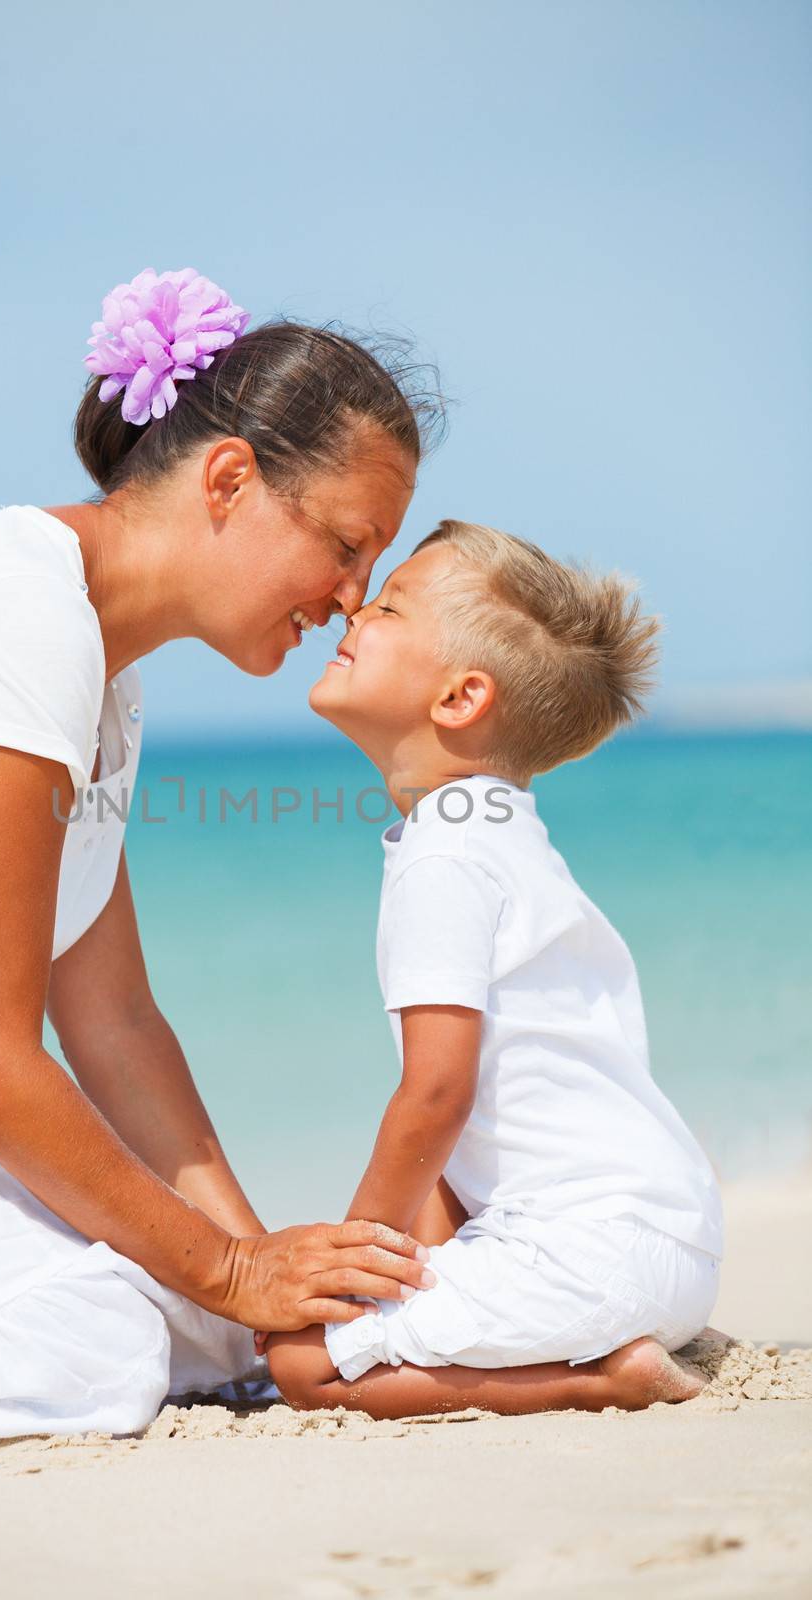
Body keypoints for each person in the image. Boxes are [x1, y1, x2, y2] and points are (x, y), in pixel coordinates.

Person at [0, 268, 442, 1457]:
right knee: (111, 1331)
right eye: (343, 544)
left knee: (194, 1322)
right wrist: (228, 1269)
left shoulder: (94, 671)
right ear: (228, 480)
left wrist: (259, 1289)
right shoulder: (17, 621)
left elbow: (112, 1019)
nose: (349, 600)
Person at [266, 520, 724, 1417]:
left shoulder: (443, 855)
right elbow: (455, 1154)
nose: (352, 609)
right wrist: (406, 1268)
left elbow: (435, 1097)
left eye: (389, 604)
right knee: (375, 1300)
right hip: (668, 1243)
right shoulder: (505, 833)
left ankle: (599, 1380)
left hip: (586, 1256)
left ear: (459, 697)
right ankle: (599, 1349)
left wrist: (344, 1264)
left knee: (301, 1363)